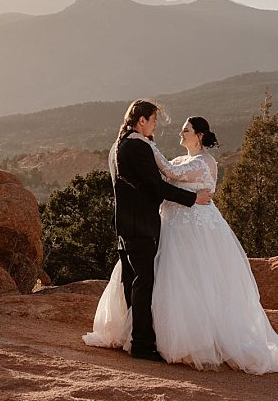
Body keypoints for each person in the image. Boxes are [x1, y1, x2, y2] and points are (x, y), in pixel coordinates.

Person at [84, 113, 278, 375]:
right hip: (172, 225)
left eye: (186, 130)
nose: (181, 133)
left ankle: (198, 340)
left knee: (197, 280)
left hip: (196, 228)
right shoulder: (179, 158)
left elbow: (170, 173)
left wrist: (147, 144)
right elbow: (161, 179)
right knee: (165, 280)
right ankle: (154, 336)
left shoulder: (205, 162)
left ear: (199, 135)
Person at [88, 100, 212, 362]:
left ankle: (130, 336)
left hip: (125, 224)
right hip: (141, 225)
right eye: (153, 120)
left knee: (130, 281)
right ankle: (143, 344)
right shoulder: (136, 146)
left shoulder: (117, 145)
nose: (155, 126)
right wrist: (192, 199)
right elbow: (156, 186)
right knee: (144, 283)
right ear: (141, 120)